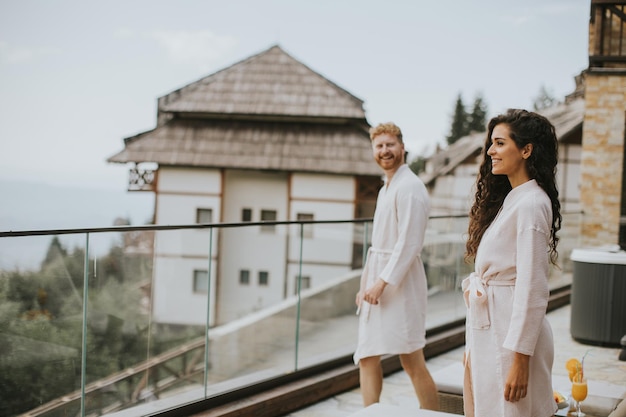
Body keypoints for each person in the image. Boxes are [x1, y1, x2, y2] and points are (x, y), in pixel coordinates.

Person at [463, 109, 561, 416]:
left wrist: (520, 359)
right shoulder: (515, 197)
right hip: (494, 322)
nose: (490, 150)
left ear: (526, 149)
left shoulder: (532, 203)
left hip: (510, 335)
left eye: (499, 143)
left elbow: (533, 286)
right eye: (491, 143)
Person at [353, 122, 439, 410]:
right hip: (380, 278)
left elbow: (409, 244)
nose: (385, 151)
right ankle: (370, 414)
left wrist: (381, 282)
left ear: (402, 147)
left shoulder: (411, 187)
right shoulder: (387, 187)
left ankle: (432, 414)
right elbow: (378, 245)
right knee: (367, 354)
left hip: (399, 285)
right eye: (379, 146)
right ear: (373, 151)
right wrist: (367, 283)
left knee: (411, 358)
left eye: (390, 144)